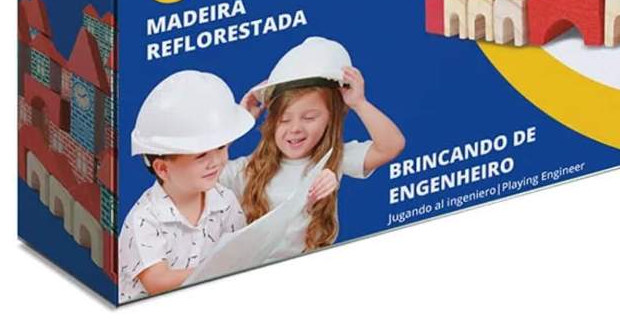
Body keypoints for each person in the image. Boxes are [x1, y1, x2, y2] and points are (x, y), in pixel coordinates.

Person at [220, 36, 405, 262]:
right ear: (272, 122)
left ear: (331, 118)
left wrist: (359, 103)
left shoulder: (334, 158)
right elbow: (200, 173)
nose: (295, 128)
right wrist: (237, 126)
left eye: (309, 117)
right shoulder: (249, 168)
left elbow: (391, 147)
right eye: (284, 120)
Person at [118, 70, 255, 303]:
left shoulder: (224, 200)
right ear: (163, 169)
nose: (216, 161)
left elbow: (238, 250)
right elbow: (157, 282)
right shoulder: (144, 220)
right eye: (201, 156)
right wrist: (218, 268)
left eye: (221, 147)